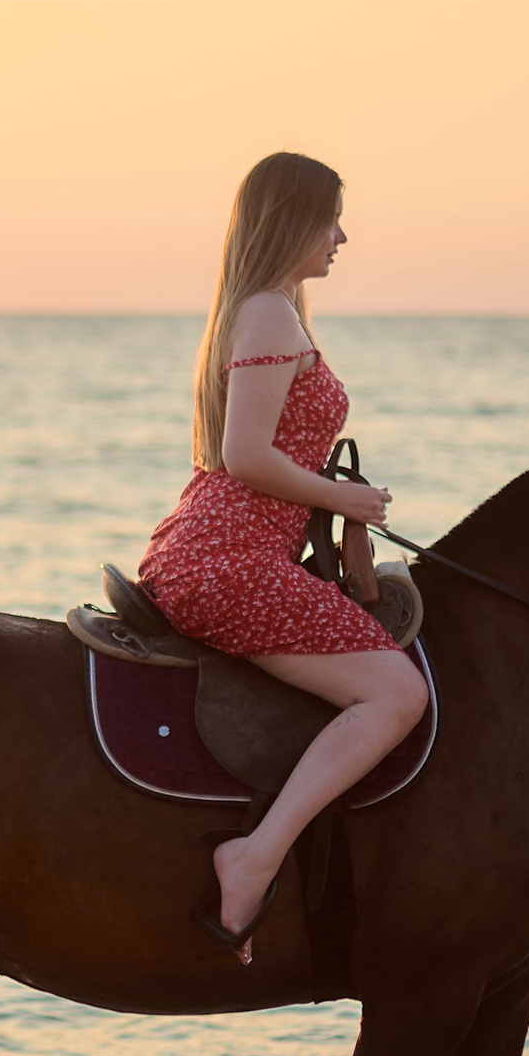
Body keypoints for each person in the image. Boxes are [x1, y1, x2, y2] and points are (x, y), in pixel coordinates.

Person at [137, 153, 429, 961]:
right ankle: (256, 855)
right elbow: (244, 457)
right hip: (227, 557)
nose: (341, 236)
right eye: (329, 218)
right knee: (396, 696)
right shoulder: (268, 313)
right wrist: (346, 501)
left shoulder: (269, 311)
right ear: (290, 220)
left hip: (230, 547)